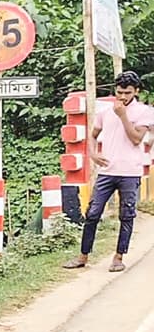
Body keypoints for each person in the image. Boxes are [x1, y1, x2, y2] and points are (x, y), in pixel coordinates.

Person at [64, 71, 154, 272]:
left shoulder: (144, 112)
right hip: (107, 171)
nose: (122, 97)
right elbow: (93, 135)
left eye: (127, 93)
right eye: (119, 92)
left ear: (136, 91)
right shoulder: (104, 112)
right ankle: (83, 256)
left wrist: (122, 116)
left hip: (130, 171)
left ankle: (118, 257)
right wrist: (93, 155)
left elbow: (136, 139)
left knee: (127, 214)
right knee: (93, 213)